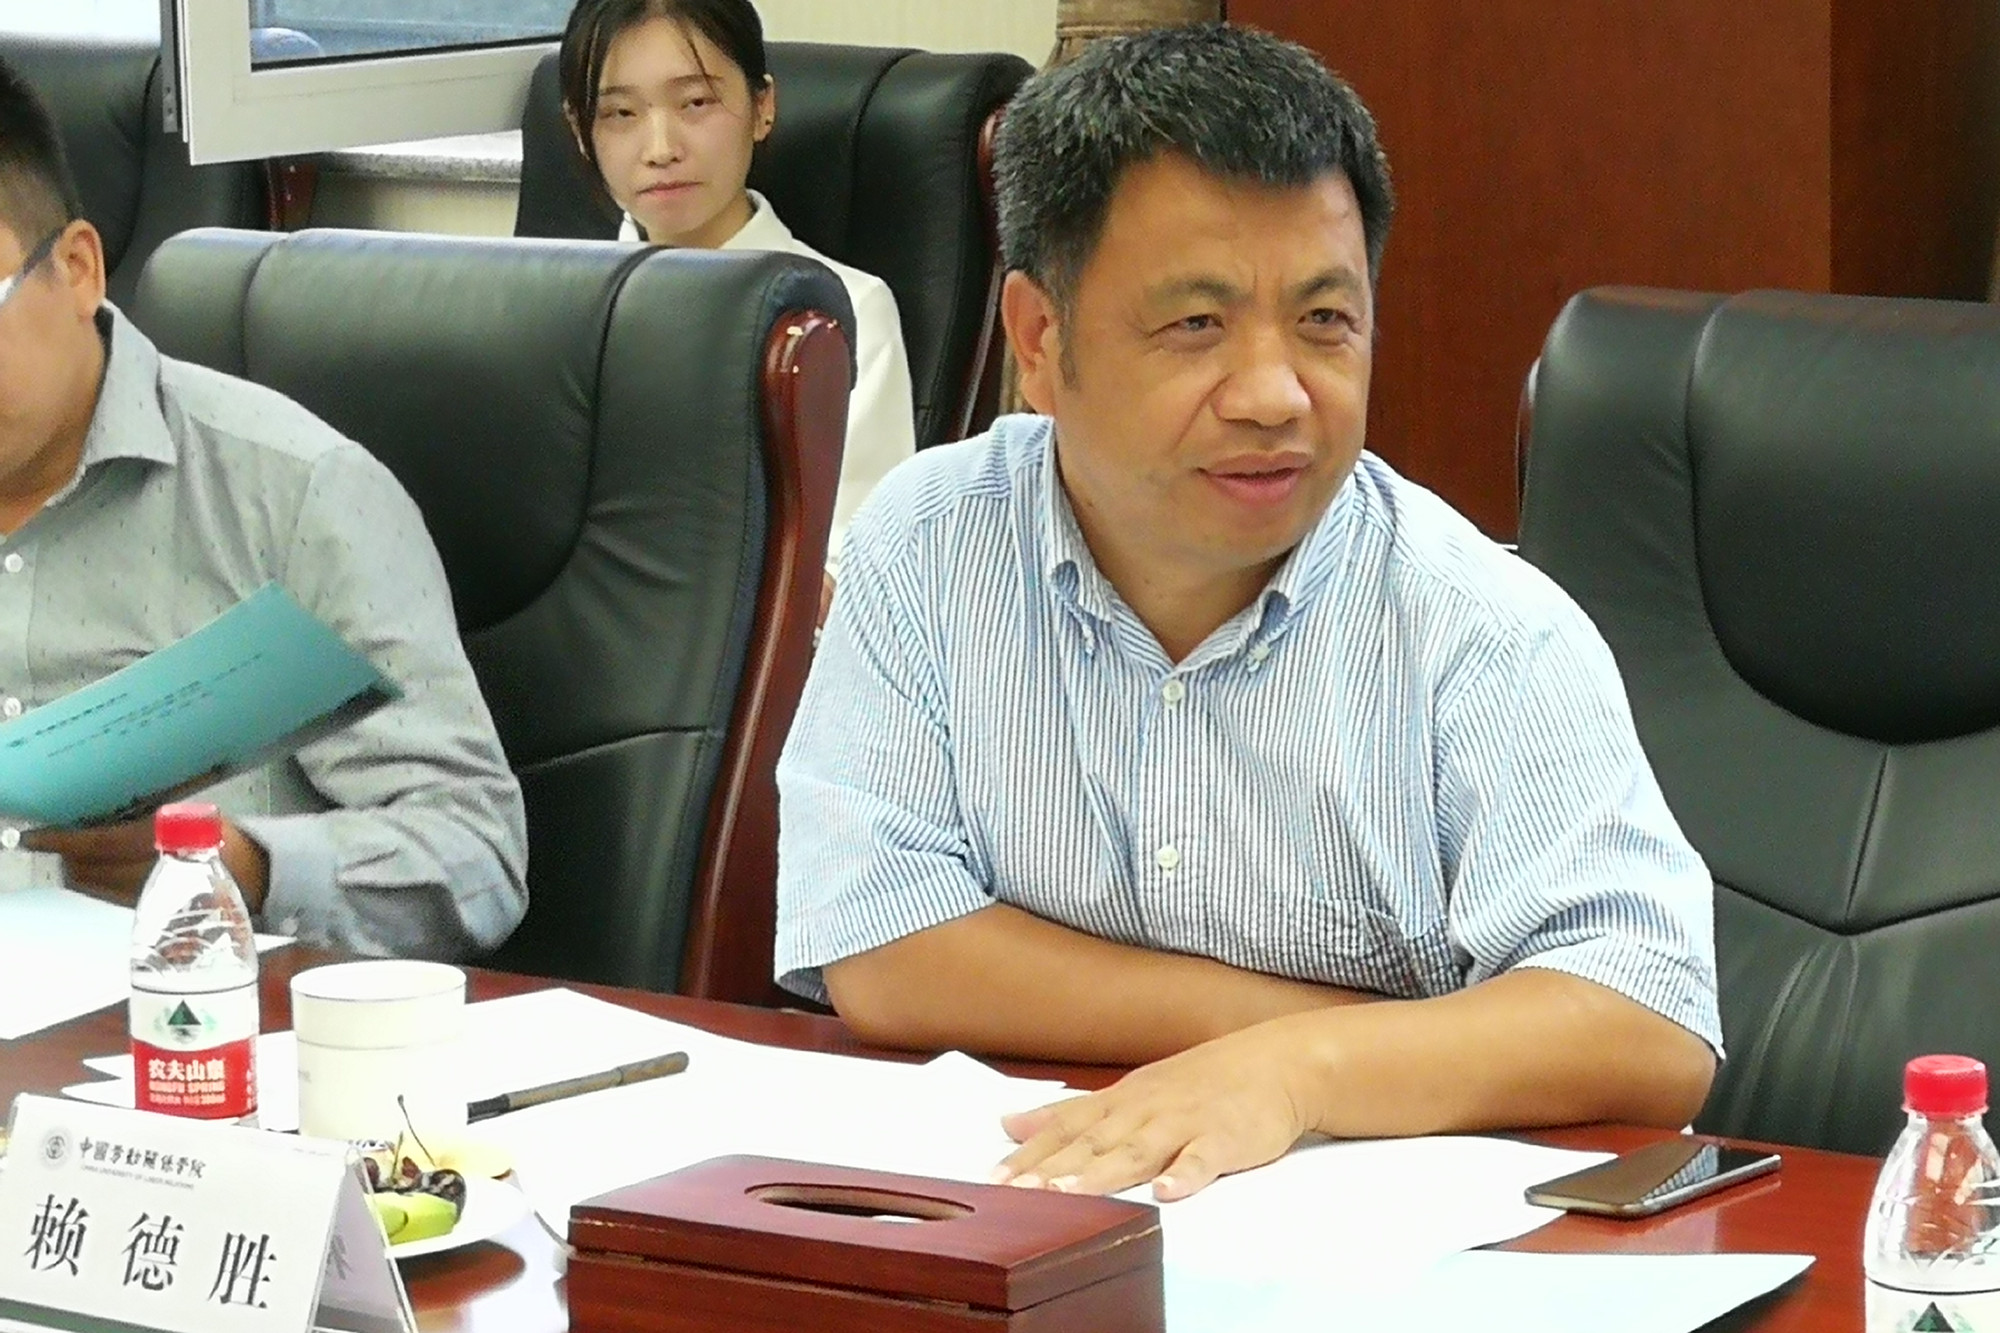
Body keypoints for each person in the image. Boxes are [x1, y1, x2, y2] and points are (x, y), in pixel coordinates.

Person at [775, 24, 1721, 1202]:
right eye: (1196, 325)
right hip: (1025, 1207)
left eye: (1324, 320)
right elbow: (880, 948)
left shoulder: (1477, 626)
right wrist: (1279, 1038)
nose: (1275, 395)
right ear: (1038, 339)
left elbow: (1646, 1023)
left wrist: (1295, 1072)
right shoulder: (928, 543)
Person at [0, 58, 527, 960]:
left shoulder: (295, 492)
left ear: (79, 268)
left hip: (178, 1024)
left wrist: (243, 866)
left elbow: (475, 851)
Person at [559, 0, 918, 580]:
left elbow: (857, 563)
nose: (661, 148)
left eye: (696, 103)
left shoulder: (842, 311)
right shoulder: (554, 308)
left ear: (762, 106)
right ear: (581, 132)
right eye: (620, 113)